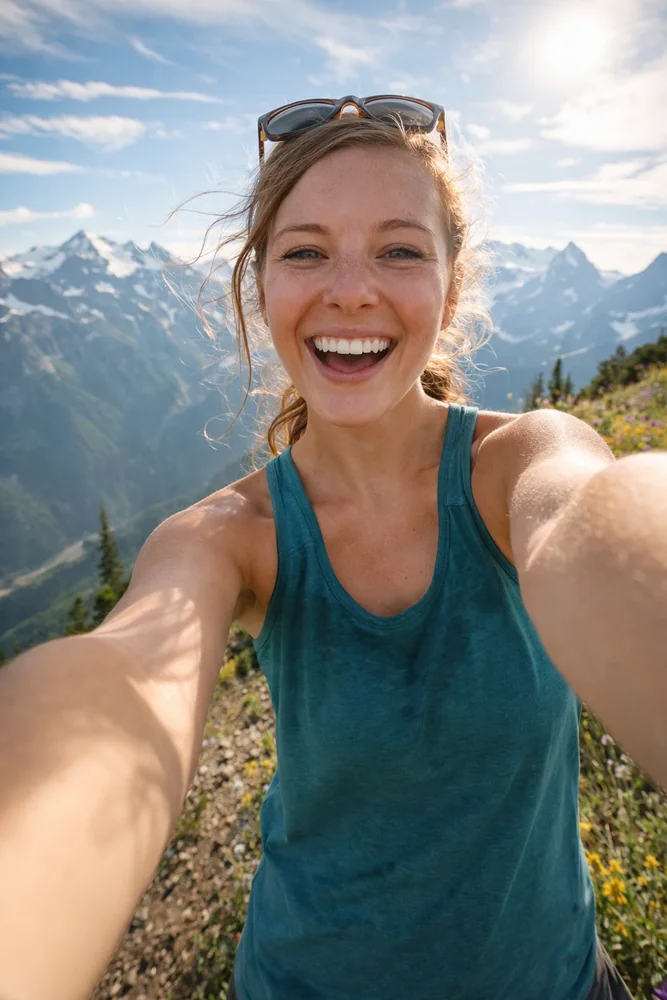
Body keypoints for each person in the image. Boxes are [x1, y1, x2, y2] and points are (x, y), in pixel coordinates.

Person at [0, 95, 664, 1000]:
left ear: (451, 286)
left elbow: (600, 522)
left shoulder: (526, 465)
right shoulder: (225, 540)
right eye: (305, 251)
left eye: (398, 249)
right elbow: (128, 675)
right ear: (260, 284)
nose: (349, 289)